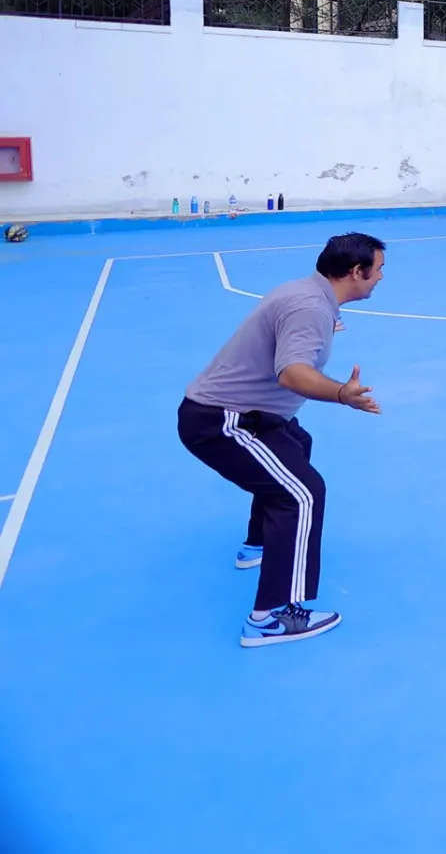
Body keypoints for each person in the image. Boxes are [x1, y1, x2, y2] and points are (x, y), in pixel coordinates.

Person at [176, 232, 385, 646]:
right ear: (356, 272)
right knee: (303, 493)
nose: (380, 278)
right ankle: (271, 616)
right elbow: (292, 372)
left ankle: (258, 544)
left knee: (296, 445)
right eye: (377, 270)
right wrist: (343, 394)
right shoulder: (309, 306)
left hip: (253, 416)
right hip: (223, 421)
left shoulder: (310, 295)